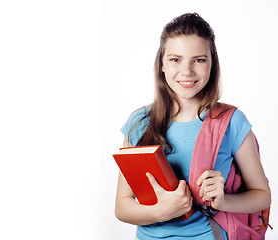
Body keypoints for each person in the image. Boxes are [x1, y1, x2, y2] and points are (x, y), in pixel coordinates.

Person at [115, 13, 271, 240]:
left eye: (199, 59)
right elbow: (121, 206)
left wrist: (224, 200)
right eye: (175, 59)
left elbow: (262, 196)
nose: (187, 71)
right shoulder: (140, 122)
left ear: (212, 63)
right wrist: (163, 211)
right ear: (162, 64)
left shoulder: (232, 121)